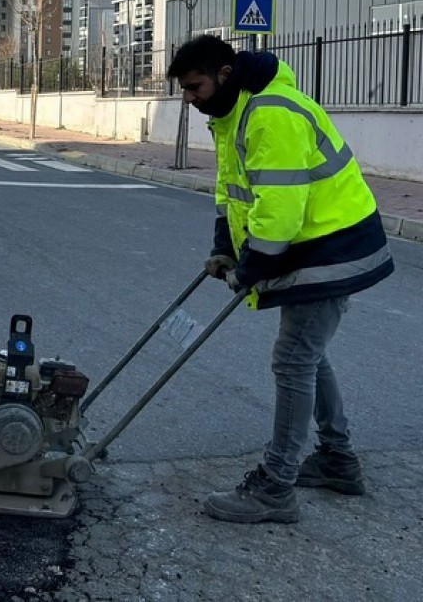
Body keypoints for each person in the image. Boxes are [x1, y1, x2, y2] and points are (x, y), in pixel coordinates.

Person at [167, 35, 395, 524]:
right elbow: (233, 191)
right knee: (308, 354)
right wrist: (223, 247)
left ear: (224, 74)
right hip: (309, 247)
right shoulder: (232, 114)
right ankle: (338, 460)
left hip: (331, 245)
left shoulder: (271, 113)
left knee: (293, 359)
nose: (189, 98)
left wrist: (250, 270)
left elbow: (281, 212)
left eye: (195, 87)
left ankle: (276, 486)